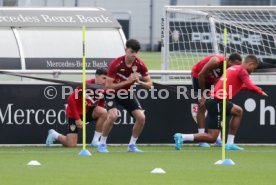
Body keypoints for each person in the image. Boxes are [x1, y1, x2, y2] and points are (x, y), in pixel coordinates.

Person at [175, 54, 268, 150]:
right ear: (251, 64)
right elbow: (250, 85)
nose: (252, 71)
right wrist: (259, 91)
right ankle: (182, 137)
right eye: (254, 68)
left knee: (238, 111)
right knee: (212, 137)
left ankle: (230, 143)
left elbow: (239, 86)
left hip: (216, 100)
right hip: (216, 101)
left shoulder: (233, 68)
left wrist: (252, 89)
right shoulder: (240, 70)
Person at [97, 39, 153, 153]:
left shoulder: (140, 64)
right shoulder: (116, 63)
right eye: (132, 51)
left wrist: (139, 82)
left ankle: (131, 146)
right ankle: (101, 144)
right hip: (112, 93)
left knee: (141, 118)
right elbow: (108, 86)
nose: (134, 55)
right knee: (113, 116)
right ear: (125, 50)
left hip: (127, 94)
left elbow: (150, 84)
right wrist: (127, 82)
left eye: (136, 52)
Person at [46, 68, 108, 147]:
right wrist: (77, 119)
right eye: (104, 78)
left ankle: (95, 141)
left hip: (88, 111)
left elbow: (101, 103)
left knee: (104, 112)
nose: (105, 81)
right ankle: (54, 134)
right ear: (96, 76)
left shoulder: (103, 88)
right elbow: (70, 100)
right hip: (74, 113)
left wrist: (99, 115)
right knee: (71, 144)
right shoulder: (85, 85)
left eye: (107, 79)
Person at [191, 53, 242, 147]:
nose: (236, 68)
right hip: (199, 77)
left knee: (217, 104)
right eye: (234, 65)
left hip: (212, 80)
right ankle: (201, 140)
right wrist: (203, 94)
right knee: (202, 105)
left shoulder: (231, 69)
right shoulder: (216, 61)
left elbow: (218, 81)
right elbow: (201, 75)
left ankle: (217, 138)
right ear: (229, 61)